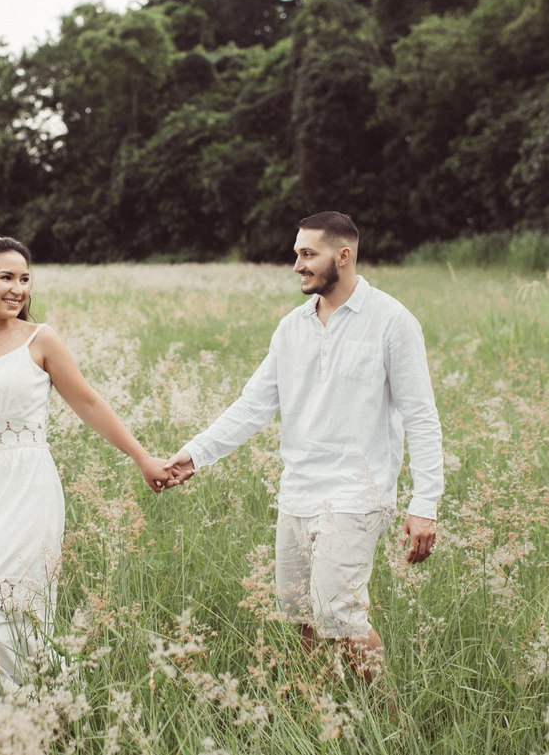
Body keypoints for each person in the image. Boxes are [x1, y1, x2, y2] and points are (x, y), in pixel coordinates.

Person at [164, 211, 442, 684]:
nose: (297, 264)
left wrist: (425, 503)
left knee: (344, 620)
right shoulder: (291, 328)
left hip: (356, 495)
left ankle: (391, 727)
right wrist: (195, 454)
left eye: (308, 254)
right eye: (297, 254)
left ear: (344, 255)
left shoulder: (392, 322)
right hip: (297, 494)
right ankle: (321, 721)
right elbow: (252, 406)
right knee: (304, 621)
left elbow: (421, 416)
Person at [0, 235, 171, 689]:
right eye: (6, 277)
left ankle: (30, 706)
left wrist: (143, 458)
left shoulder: (39, 339)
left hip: (27, 487)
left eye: (25, 278)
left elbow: (89, 403)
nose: (18, 288)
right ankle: (31, 706)